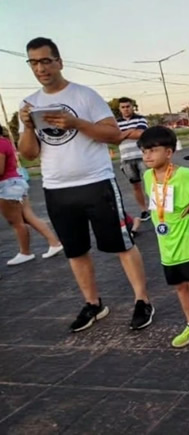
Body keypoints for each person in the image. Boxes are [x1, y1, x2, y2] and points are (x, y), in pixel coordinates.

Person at [18, 37, 153, 332]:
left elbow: (114, 135)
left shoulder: (85, 96)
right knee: (75, 250)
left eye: (46, 61)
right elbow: (28, 154)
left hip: (96, 182)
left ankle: (142, 300)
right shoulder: (29, 104)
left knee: (122, 244)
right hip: (56, 188)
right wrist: (27, 126)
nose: (40, 68)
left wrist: (76, 123)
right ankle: (93, 304)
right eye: (34, 62)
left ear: (59, 62)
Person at [140, 126, 189, 356]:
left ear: (169, 152)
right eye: (144, 151)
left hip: (187, 239)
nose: (147, 156)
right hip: (166, 243)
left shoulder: (183, 175)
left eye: (153, 150)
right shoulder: (148, 176)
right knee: (180, 287)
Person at [0, 126, 63, 265]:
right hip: (15, 182)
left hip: (7, 186)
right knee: (28, 217)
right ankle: (54, 243)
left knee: (16, 222)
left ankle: (25, 252)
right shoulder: (4, 142)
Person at [116, 97, 150, 221]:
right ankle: (144, 210)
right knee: (136, 186)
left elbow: (140, 134)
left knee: (151, 183)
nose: (126, 109)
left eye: (128, 106)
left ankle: (158, 207)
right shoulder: (115, 123)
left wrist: (123, 133)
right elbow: (115, 138)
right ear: (119, 109)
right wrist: (131, 131)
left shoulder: (140, 119)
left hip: (142, 156)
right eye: (123, 107)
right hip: (126, 159)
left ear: (132, 107)